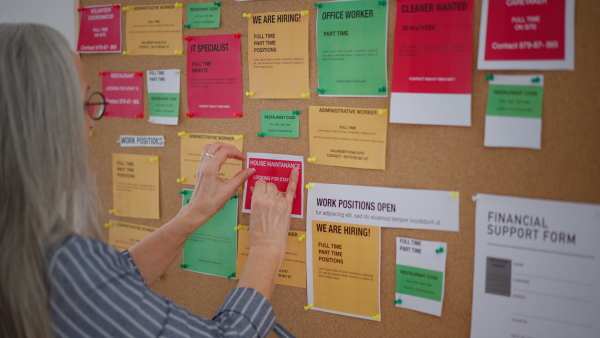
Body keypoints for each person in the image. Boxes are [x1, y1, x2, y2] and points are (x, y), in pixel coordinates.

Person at [0, 23, 297, 338]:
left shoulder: (22, 241)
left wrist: (192, 214)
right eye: (82, 105)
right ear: (44, 123)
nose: (90, 124)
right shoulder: (63, 263)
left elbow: (112, 279)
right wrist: (267, 245)